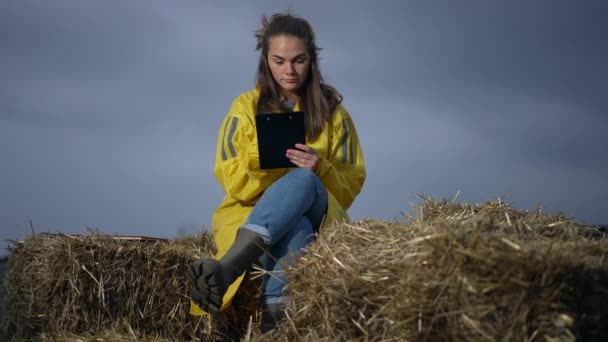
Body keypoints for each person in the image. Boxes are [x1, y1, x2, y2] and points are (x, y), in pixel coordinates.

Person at [187, 12, 366, 332]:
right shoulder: (243, 108)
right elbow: (232, 182)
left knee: (304, 179)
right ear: (265, 60)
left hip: (322, 220)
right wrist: (263, 157)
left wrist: (320, 167)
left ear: (312, 59)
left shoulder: (335, 114)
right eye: (279, 61)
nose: (289, 71)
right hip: (256, 219)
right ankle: (274, 328)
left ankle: (229, 266)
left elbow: (352, 184)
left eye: (298, 60)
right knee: (294, 225)